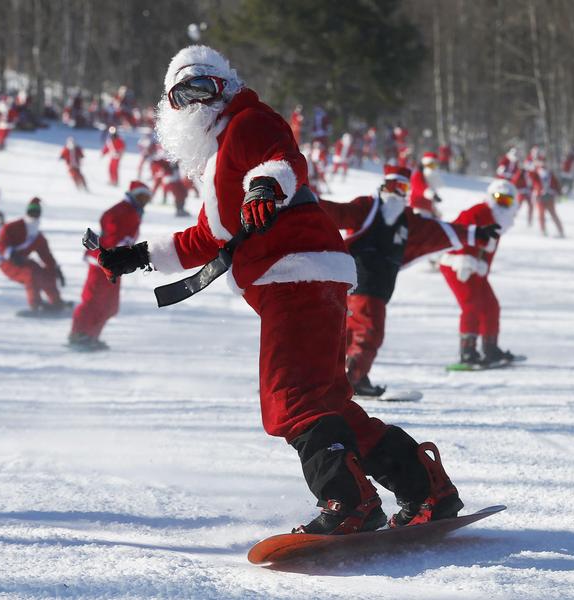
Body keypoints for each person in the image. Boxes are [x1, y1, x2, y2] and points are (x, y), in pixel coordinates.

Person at [94, 45, 463, 535]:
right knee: (328, 402)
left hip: (294, 273)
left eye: (204, 87)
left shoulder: (248, 121)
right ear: (170, 107)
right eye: (182, 95)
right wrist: (138, 256)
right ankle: (424, 489)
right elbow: (209, 237)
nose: (196, 102)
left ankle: (349, 501)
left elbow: (282, 158)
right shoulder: (218, 155)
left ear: (225, 86)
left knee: (291, 398)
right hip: (305, 274)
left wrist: (265, 185)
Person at [320, 165, 500, 396]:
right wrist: (306, 200)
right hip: (364, 283)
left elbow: (436, 231)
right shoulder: (368, 208)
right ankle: (352, 379)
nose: (397, 193)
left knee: (348, 334)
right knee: (369, 332)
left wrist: (475, 234)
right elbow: (336, 212)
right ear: (383, 186)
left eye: (403, 188)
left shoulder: (406, 219)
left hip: (373, 286)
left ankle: (334, 380)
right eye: (393, 186)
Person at [439, 179, 520, 366]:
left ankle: (490, 348)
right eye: (499, 198)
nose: (502, 204)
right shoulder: (479, 212)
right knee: (472, 305)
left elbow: (488, 251)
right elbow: (461, 231)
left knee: (491, 305)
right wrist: (464, 259)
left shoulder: (500, 219)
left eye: (507, 200)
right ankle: (467, 351)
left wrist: (483, 268)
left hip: (476, 268)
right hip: (457, 264)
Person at [68, 181, 151, 351]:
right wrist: (120, 247)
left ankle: (91, 335)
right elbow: (110, 225)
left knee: (110, 305)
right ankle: (78, 334)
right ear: (133, 195)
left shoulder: (133, 210)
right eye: (141, 196)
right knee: (92, 300)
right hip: (103, 260)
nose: (144, 201)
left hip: (115, 264)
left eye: (147, 198)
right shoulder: (123, 210)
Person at [0, 197, 68, 313]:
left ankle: (56, 302)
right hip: (7, 262)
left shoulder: (38, 237)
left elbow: (47, 256)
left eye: (36, 212)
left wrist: (55, 269)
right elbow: (1, 244)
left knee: (46, 273)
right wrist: (11, 254)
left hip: (22, 261)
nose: (34, 215)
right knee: (31, 274)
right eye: (31, 211)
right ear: (27, 212)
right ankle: (35, 304)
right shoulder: (12, 227)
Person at [529, 160, 564, 237]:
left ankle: (561, 231)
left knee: (553, 214)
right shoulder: (536, 173)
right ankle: (543, 230)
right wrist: (532, 166)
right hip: (540, 196)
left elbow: (556, 184)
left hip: (549, 196)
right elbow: (530, 176)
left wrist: (559, 193)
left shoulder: (550, 174)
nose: (543, 165)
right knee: (541, 214)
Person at [408, 151, 443, 218]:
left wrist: (434, 211)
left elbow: (430, 202)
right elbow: (421, 188)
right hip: (417, 208)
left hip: (427, 210)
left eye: (434, 166)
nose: (432, 168)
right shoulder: (418, 176)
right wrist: (432, 195)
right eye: (430, 165)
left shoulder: (430, 179)